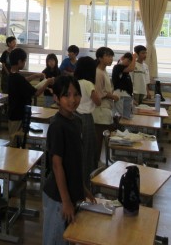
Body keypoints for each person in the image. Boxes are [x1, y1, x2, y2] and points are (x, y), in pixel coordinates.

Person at [42, 75, 95, 245]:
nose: (72, 100)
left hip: (70, 192)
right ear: (56, 98)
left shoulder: (77, 121)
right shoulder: (57, 126)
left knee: (66, 238)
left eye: (76, 94)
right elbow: (57, 165)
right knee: (54, 239)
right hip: (58, 197)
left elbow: (74, 161)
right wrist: (65, 201)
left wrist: (82, 187)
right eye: (66, 95)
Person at [7, 48, 45, 146]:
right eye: (24, 61)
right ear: (20, 61)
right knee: (15, 142)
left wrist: (35, 76)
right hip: (18, 114)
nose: (25, 63)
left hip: (14, 112)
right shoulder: (18, 78)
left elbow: (23, 81)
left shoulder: (12, 75)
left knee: (16, 139)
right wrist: (47, 83)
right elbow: (36, 93)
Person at [74, 56, 101, 187]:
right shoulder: (88, 83)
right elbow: (98, 101)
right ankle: (86, 182)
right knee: (88, 150)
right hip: (86, 118)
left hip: (74, 116)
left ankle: (78, 180)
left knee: (78, 150)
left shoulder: (75, 81)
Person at [93, 47, 117, 162]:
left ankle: (100, 162)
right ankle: (95, 164)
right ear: (100, 58)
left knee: (103, 140)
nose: (111, 59)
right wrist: (112, 96)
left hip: (106, 109)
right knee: (98, 140)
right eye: (108, 56)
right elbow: (99, 93)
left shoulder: (104, 72)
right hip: (100, 110)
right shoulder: (98, 72)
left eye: (111, 56)